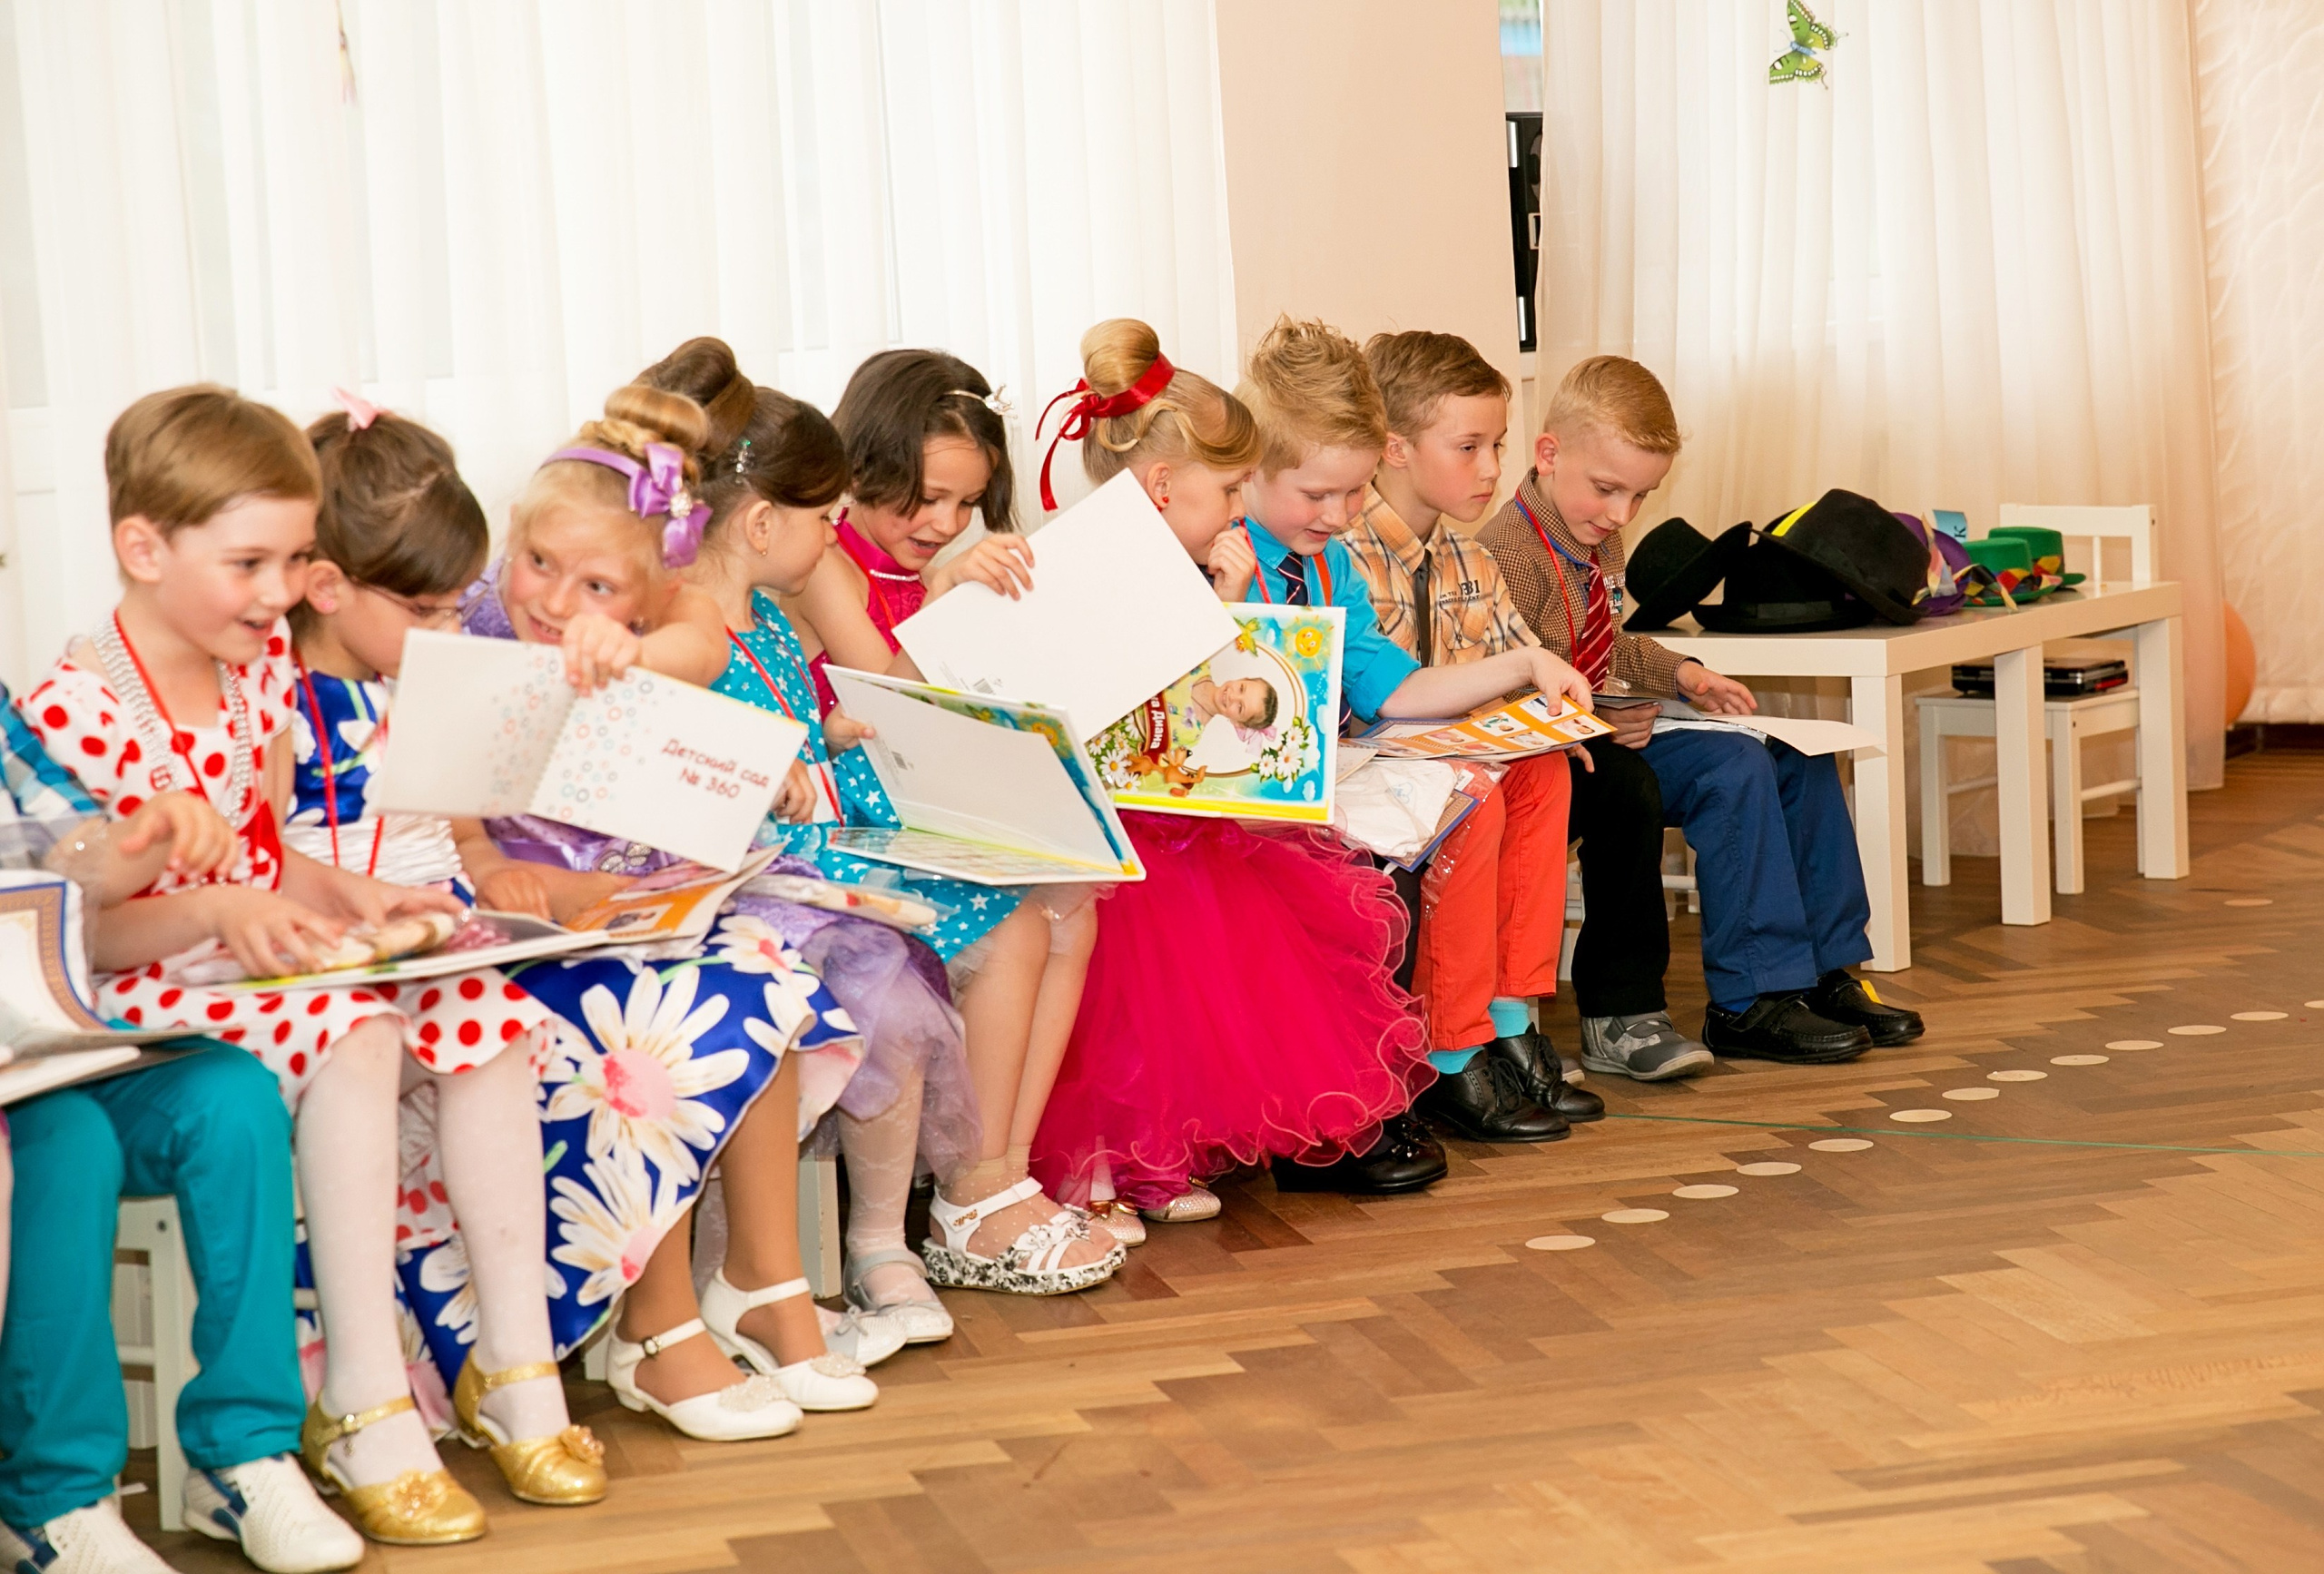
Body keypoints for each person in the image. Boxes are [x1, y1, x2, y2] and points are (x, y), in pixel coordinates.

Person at [20, 385, 585, 1549]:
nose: (281, 595)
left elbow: (274, 861)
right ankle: (365, 1405)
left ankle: (521, 1374)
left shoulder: (260, 663)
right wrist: (221, 905)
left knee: (482, 1005)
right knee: (357, 1031)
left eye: (291, 564)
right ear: (142, 548)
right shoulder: (76, 708)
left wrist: (353, 897)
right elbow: (74, 944)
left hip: (257, 966)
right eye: (252, 565)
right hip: (137, 1005)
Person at [451, 379, 889, 1443]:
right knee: (648, 1021)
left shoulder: (672, 619)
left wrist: (630, 654)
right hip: (511, 924)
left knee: (764, 980)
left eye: (599, 582)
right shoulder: (477, 631)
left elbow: (693, 654)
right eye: (540, 564)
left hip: (628, 901)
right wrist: (506, 872)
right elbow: (457, 825)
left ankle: (763, 1279)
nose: (556, 599)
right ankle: (655, 1327)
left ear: (656, 578)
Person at [639, 335, 1036, 1334]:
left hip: (809, 863)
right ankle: (761, 1279)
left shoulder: (769, 617)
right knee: (877, 978)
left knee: (922, 958)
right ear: (767, 520)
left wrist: (831, 737)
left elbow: (815, 720)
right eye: (825, 518)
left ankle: (876, 1250)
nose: (836, 536)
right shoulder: (693, 630)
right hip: (746, 883)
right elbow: (683, 774)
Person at [780, 348, 1129, 1276]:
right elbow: (890, 705)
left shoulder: (943, 552)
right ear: (858, 474)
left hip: (927, 794)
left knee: (1074, 896)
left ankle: (1002, 1171)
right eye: (921, 497)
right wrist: (940, 601)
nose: (941, 523)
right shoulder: (823, 562)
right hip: (857, 805)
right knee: (1018, 923)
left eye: (964, 503)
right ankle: (970, 1189)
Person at [0, 691, 364, 1574]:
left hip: (34, 1039)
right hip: (35, 1097)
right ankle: (55, 1499)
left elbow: (76, 860)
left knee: (232, 1095)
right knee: (71, 1141)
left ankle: (243, 1454)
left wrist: (149, 835)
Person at [1475, 356, 1925, 1060]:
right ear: (1549, 453)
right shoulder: (1504, 553)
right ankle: (1751, 1000)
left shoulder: (1592, 530)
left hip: (1609, 731)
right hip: (1558, 751)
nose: (1621, 514)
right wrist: (1591, 721)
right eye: (1607, 490)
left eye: (1639, 496)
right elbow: (1496, 687)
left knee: (1801, 759)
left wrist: (1684, 674)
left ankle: (1825, 973)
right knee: (1732, 767)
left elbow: (1610, 643)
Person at [1345, 331, 1709, 1088]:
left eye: (1496, 445)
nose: (1491, 469)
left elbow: (1535, 679)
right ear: (1396, 448)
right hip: (1380, 780)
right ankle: (1455, 1048)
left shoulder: (1469, 561)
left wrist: (1569, 719)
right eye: (1470, 447)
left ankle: (1508, 1022)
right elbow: (1372, 702)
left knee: (1550, 767)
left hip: (1459, 772)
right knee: (1521, 785)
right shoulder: (1342, 553)